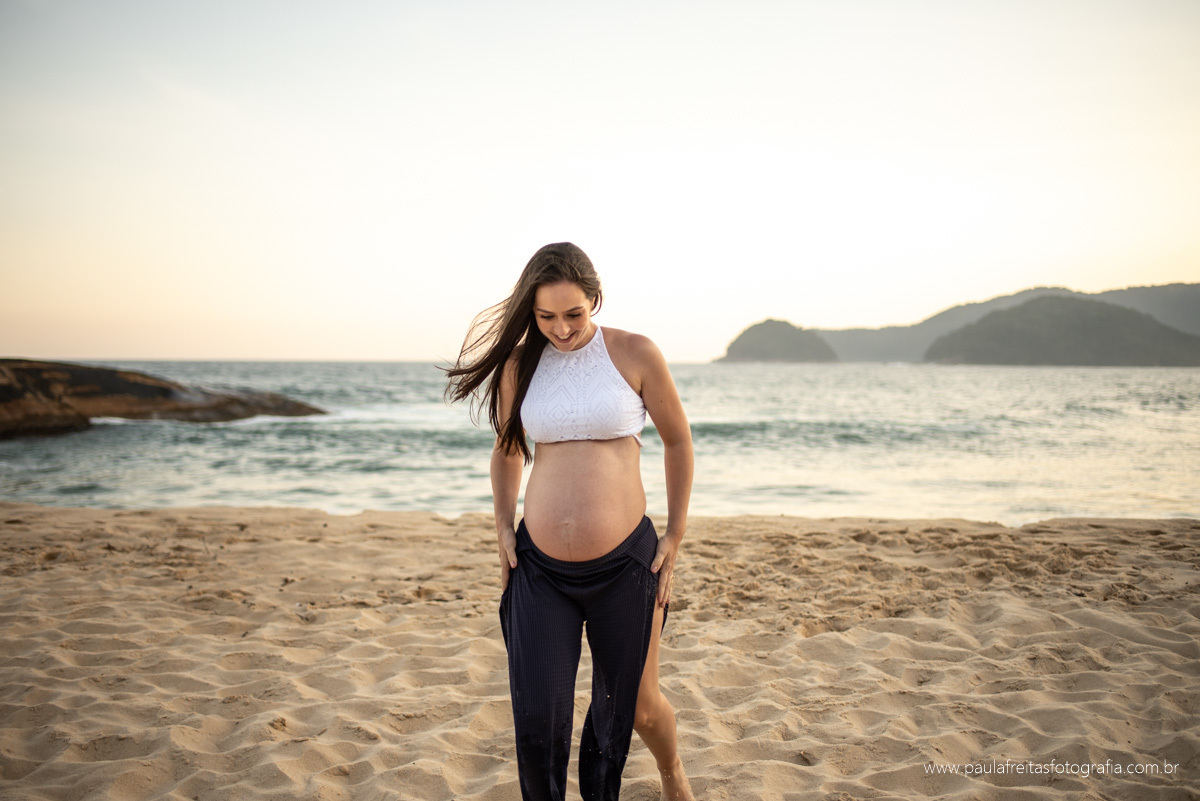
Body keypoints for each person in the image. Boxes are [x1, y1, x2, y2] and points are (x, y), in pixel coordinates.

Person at [445, 242, 696, 801]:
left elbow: (677, 441)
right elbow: (509, 449)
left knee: (635, 710)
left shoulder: (635, 353)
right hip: (540, 570)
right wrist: (503, 526)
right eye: (545, 317)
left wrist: (675, 533)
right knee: (538, 720)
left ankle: (672, 770)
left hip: (625, 565)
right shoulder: (520, 366)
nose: (560, 329)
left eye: (573, 314)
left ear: (595, 299)